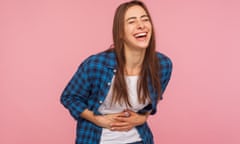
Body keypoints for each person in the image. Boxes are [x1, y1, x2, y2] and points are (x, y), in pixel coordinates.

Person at [60, 0, 172, 144]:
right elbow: (69, 97)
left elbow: (152, 101)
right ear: (120, 33)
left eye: (145, 19)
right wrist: (97, 119)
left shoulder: (162, 65)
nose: (141, 25)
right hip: (96, 139)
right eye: (132, 21)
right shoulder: (96, 65)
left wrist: (142, 118)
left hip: (139, 139)